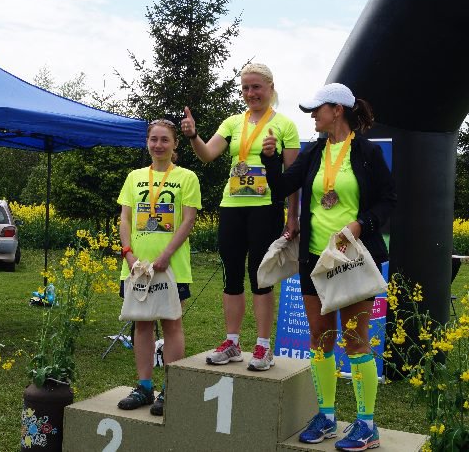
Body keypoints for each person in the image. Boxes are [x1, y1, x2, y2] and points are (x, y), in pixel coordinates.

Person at [261, 83, 396, 450]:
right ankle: (327, 416)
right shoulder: (314, 151)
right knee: (320, 339)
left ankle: (367, 424)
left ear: (337, 110)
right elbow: (281, 187)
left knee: (355, 340)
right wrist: (271, 159)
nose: (312, 116)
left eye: (317, 110)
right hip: (314, 261)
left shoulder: (367, 152)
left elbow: (388, 200)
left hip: (352, 259)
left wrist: (360, 225)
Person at [181, 63, 301, 371]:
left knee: (260, 276)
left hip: (266, 207)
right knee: (231, 274)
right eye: (245, 88)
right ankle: (232, 342)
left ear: (270, 87)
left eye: (256, 87)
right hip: (232, 205)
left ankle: (263, 347)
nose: (250, 93)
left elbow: (293, 178)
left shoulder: (285, 125)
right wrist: (193, 136)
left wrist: (292, 216)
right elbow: (207, 154)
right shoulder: (233, 122)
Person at [116, 119, 202, 416]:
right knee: (141, 323)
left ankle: (170, 388)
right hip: (137, 266)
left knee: (171, 323)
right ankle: (144, 387)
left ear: (175, 143)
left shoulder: (187, 177)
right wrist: (128, 254)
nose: (158, 145)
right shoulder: (134, 177)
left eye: (165, 139)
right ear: (147, 142)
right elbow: (125, 218)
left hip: (171, 266)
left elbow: (188, 220)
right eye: (153, 139)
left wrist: (165, 255)